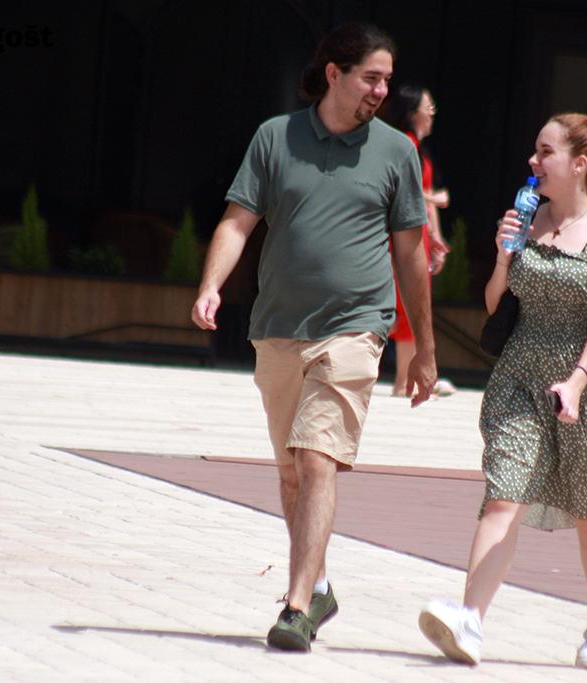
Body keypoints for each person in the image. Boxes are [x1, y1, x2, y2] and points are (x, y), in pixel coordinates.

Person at [190, 22, 437, 653]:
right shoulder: (275, 137)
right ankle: (320, 586)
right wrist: (212, 284)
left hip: (356, 326)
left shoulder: (397, 152)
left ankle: (296, 607)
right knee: (292, 473)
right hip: (278, 327)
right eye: (371, 78)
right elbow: (238, 221)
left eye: (387, 80)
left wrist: (424, 350)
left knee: (317, 458)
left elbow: (411, 254)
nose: (382, 90)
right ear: (334, 73)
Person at [418, 113, 587, 670]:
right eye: (535, 150)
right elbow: (495, 305)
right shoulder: (526, 220)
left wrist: (575, 383)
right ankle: (470, 620)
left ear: (579, 164)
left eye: (545, 152)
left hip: (584, 383)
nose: (533, 161)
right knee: (503, 493)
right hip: (519, 377)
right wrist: (504, 254)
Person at [382, 84, 454, 397]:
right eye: (429, 106)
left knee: (413, 301)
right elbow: (400, 190)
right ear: (413, 113)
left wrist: (436, 239)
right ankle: (403, 380)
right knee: (406, 301)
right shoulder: (404, 145)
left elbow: (424, 198)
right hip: (402, 232)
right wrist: (434, 198)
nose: (433, 111)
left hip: (418, 231)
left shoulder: (419, 149)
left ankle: (407, 379)